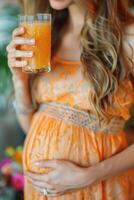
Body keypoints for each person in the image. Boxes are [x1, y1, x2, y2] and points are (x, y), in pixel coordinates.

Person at [6, 0, 134, 199]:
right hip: (41, 191)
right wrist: (19, 79)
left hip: (99, 186)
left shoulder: (129, 37)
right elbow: (32, 127)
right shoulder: (46, 35)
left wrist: (90, 175)